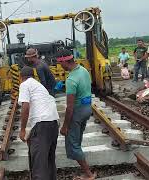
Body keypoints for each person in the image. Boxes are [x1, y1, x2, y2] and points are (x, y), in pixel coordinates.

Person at [56, 49, 96, 180]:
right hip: (87, 109)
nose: (59, 66)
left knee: (73, 143)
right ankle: (85, 170)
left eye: (59, 63)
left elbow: (70, 107)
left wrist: (65, 126)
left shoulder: (71, 80)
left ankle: (88, 174)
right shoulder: (83, 70)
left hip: (77, 113)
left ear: (65, 61)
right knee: (77, 140)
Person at [18, 66, 59, 180]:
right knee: (49, 161)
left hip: (42, 125)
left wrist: (22, 130)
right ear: (34, 76)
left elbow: (25, 107)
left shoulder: (24, 85)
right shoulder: (40, 86)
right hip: (54, 123)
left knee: (39, 165)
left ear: (21, 77)